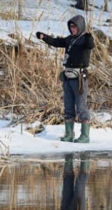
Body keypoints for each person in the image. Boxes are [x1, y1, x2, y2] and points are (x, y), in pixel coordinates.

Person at [36, 15, 95, 143]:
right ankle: (69, 134)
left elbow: (91, 46)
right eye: (71, 27)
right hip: (68, 77)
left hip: (79, 78)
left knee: (81, 106)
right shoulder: (69, 39)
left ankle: (85, 135)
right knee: (68, 106)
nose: (72, 29)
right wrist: (44, 37)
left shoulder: (85, 39)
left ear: (80, 27)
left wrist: (89, 37)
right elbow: (57, 42)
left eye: (75, 27)